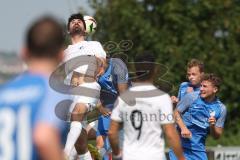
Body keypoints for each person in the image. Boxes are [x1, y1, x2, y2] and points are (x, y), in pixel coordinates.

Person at [0, 16, 67, 160]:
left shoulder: (4, 92)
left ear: (24, 53)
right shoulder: (52, 90)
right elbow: (44, 137)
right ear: (62, 55)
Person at [109, 52, 185, 160]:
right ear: (155, 70)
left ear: (135, 71)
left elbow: (112, 132)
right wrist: (182, 158)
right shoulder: (163, 98)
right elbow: (170, 133)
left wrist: (117, 154)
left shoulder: (123, 99)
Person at [63, 13, 106, 160]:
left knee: (78, 112)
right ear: (68, 30)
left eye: (79, 21)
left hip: (89, 87)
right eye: (73, 21)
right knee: (81, 145)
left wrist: (82, 74)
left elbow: (101, 66)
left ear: (85, 29)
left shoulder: (94, 45)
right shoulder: (63, 54)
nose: (76, 22)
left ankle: (64, 154)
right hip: (70, 93)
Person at [169, 73, 227, 160]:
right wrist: (183, 128)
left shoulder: (221, 109)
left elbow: (217, 136)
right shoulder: (191, 97)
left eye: (205, 86)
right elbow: (175, 113)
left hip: (198, 151)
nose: (201, 89)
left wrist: (212, 126)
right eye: (201, 86)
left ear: (215, 89)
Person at [96, 57, 129, 159]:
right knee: (99, 146)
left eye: (97, 71)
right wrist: (100, 107)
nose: (96, 75)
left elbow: (123, 95)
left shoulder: (117, 66)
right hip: (107, 107)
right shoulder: (91, 69)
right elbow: (91, 92)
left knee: (120, 144)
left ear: (102, 62)